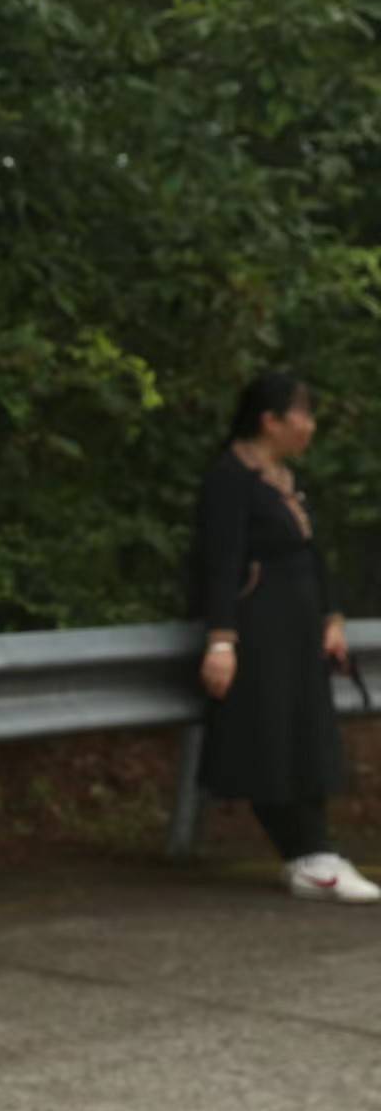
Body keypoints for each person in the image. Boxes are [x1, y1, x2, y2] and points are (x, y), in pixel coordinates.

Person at [192, 371, 374, 903]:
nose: (311, 426)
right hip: (259, 631)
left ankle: (317, 851)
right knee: (268, 738)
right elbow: (220, 563)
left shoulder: (285, 480)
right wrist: (222, 640)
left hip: (300, 633)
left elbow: (312, 554)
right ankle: (307, 855)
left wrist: (332, 616)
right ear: (270, 420)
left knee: (306, 735)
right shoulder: (229, 478)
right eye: (304, 414)